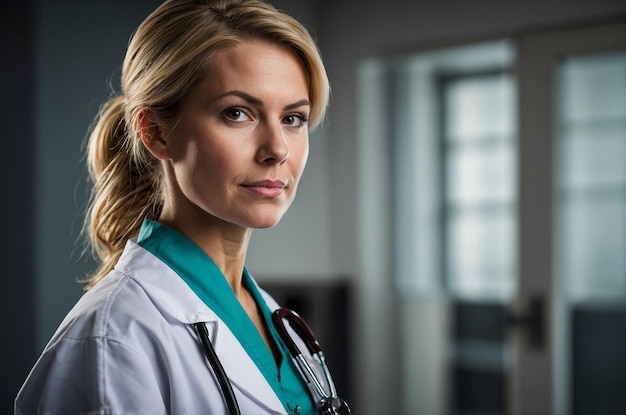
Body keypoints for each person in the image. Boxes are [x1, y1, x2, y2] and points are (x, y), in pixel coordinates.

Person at [14, 0, 345, 414]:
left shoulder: (279, 323)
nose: (277, 149)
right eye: (238, 113)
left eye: (293, 118)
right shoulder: (114, 341)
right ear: (155, 133)